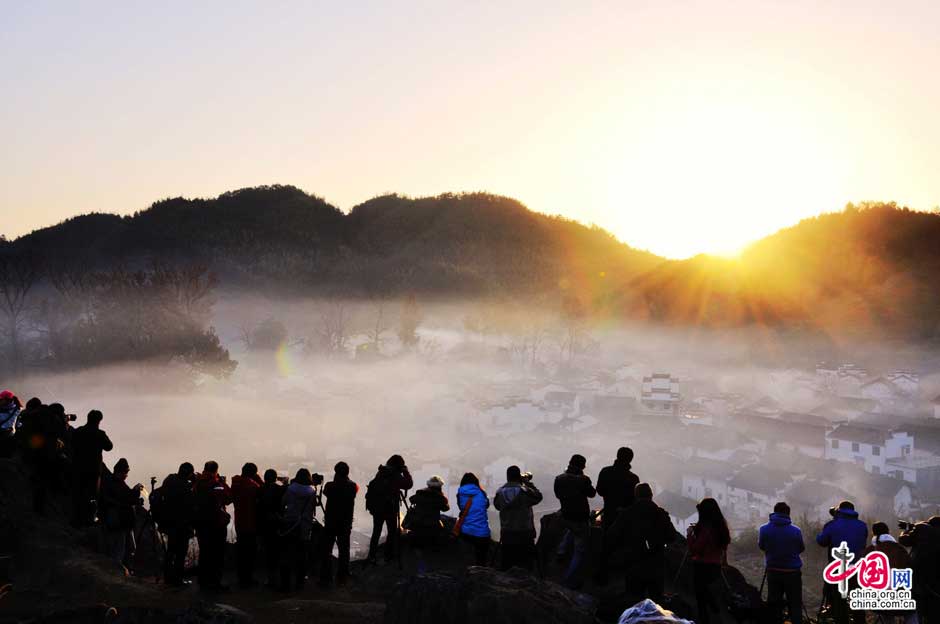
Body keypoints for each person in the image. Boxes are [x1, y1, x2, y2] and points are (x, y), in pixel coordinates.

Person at [607, 483, 676, 605]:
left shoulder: (627, 513)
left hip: (634, 563)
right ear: (651, 495)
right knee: (656, 602)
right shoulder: (661, 514)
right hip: (656, 564)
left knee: (634, 600)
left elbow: (612, 534)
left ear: (636, 495)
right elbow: (671, 537)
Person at [816, 500, 867, 624]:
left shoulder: (832, 525)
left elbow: (822, 542)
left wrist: (821, 533)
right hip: (857, 567)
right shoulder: (862, 525)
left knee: (839, 602)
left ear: (838, 511)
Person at [595, 446, 640, 583]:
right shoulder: (633, 478)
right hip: (626, 517)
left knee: (606, 545)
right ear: (631, 459)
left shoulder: (606, 471)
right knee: (623, 546)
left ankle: (602, 577)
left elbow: (600, 491)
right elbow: (635, 500)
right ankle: (623, 580)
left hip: (609, 512)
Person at [553, 454, 596, 589]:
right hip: (581, 518)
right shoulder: (583, 480)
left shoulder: (559, 479)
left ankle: (561, 550)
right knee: (580, 551)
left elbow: (558, 495)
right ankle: (568, 580)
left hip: (566, 516)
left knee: (571, 530)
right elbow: (592, 493)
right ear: (582, 466)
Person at [758, 502, 805, 624]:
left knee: (774, 603)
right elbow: (801, 548)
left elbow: (762, 546)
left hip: (773, 571)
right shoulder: (796, 531)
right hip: (793, 573)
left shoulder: (764, 529)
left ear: (774, 512)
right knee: (795, 604)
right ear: (788, 514)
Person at [688, 497, 731, 624]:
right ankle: (716, 617)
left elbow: (695, 549)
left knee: (701, 598)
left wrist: (689, 535)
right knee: (709, 596)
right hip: (715, 567)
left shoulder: (707, 529)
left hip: (702, 567)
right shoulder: (721, 527)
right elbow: (723, 547)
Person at [866, 522, 917, 624]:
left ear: (873, 533)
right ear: (888, 532)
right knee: (911, 612)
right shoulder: (899, 548)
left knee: (885, 613)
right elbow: (911, 569)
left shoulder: (870, 551)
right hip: (902, 595)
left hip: (881, 598)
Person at [366, 454, 413, 564]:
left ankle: (371, 556)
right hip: (390, 509)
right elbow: (408, 484)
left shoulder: (381, 472)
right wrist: (406, 472)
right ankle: (388, 556)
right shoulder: (395, 474)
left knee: (376, 532)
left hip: (377, 508)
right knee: (392, 532)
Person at [70, 409, 114, 527]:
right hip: (94, 470)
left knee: (79, 493)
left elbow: (71, 443)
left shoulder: (79, 431)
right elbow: (109, 447)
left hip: (78, 467)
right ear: (99, 421)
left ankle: (76, 519)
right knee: (92, 495)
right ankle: (89, 520)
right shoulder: (100, 434)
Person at [494, 466, 543, 571]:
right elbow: (538, 497)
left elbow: (497, 506)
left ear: (507, 477)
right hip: (524, 532)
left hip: (507, 533)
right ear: (518, 477)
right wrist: (528, 483)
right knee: (526, 564)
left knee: (507, 563)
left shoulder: (500, 492)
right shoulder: (525, 492)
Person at [193, 461, 232, 591]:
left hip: (201, 523)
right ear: (215, 470)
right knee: (217, 554)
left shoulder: (197, 482)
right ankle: (215, 583)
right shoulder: (215, 484)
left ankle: (203, 581)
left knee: (205, 553)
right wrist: (223, 482)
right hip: (215, 524)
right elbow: (227, 498)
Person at [319, 461, 358, 588]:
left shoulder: (330, 486)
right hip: (345, 523)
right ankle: (342, 577)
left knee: (326, 550)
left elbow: (325, 492)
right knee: (344, 550)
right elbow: (354, 489)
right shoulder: (352, 486)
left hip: (330, 522)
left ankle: (326, 577)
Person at [99, 457, 143, 570]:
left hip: (118, 522)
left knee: (121, 549)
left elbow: (127, 497)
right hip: (118, 522)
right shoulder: (116, 484)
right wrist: (136, 492)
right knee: (118, 550)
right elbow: (126, 498)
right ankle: (115, 571)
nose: (126, 475)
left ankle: (117, 569)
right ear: (120, 471)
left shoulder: (114, 483)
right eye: (125, 472)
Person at [157, 462, 196, 587]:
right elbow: (190, 504)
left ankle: (168, 578)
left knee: (170, 552)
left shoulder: (169, 480)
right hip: (182, 525)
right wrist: (194, 483)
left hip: (169, 523)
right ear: (188, 473)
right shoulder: (185, 486)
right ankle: (178, 580)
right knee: (180, 553)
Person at [279, 468, 317, 591]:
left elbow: (283, 502)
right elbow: (312, 509)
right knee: (302, 555)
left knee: (287, 554)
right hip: (304, 526)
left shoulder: (290, 489)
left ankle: (285, 583)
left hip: (290, 524)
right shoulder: (312, 491)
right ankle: (300, 582)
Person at [899, 516, 940, 624]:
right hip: (936, 576)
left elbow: (904, 540)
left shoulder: (922, 529)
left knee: (920, 603)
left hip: (920, 573)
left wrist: (907, 530)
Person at [231, 462, 264, 588]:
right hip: (251, 523)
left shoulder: (235, 483)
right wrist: (259, 480)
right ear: (253, 473)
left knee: (241, 551)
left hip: (239, 521)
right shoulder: (252, 486)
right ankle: (248, 578)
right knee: (250, 552)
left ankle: (241, 577)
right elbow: (263, 491)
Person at [406, 475, 451, 551]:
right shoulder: (439, 497)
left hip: (417, 523)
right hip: (432, 524)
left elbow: (411, 499)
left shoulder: (420, 493)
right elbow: (446, 508)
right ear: (440, 487)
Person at [258, 469, 287, 588]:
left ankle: (270, 579)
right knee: (277, 552)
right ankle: (278, 579)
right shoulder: (280, 489)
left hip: (264, 523)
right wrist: (283, 482)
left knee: (269, 553)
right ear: (275, 478)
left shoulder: (260, 489)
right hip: (277, 523)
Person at [456, 472, 491, 566]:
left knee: (466, 559)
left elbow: (461, 507)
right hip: (483, 533)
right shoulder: (482, 493)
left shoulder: (460, 493)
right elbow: (486, 505)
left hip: (466, 532)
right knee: (481, 560)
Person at [0, 390, 22, 457]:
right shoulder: (17, 410)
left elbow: (19, 424)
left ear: (8, 400)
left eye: (1, 399)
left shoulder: (17, 411)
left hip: (8, 439)